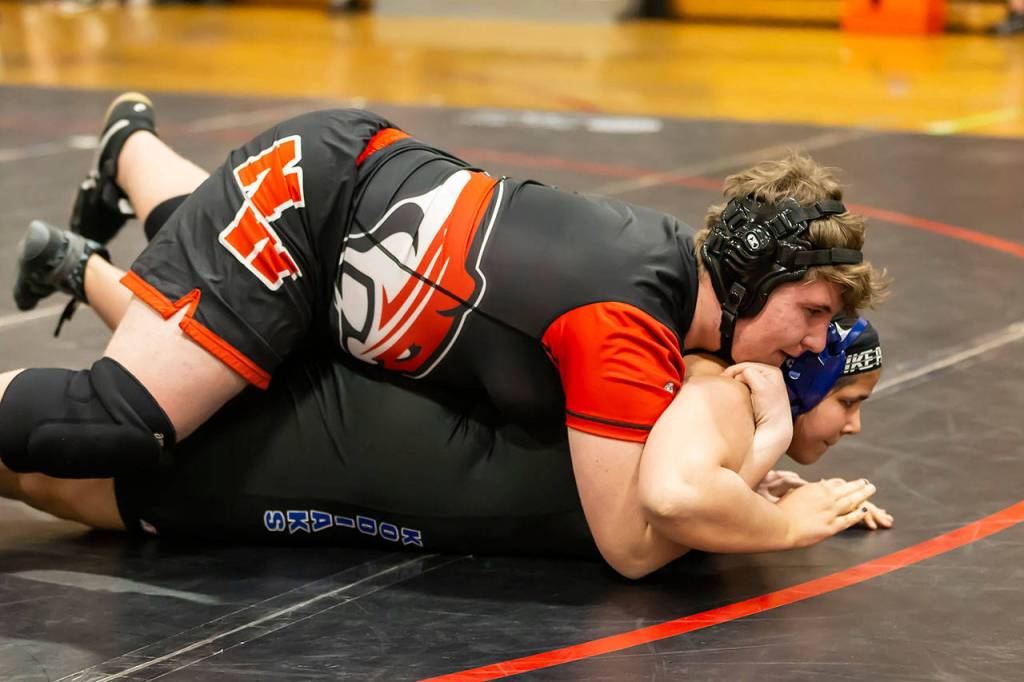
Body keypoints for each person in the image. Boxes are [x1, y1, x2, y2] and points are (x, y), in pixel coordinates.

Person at [2, 93, 886, 575]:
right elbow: (632, 540)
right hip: (315, 218)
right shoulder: (624, 322)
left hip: (344, 210)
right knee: (114, 424)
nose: (815, 345)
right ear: (750, 280)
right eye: (811, 314)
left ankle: (128, 148)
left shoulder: (658, 268)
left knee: (233, 324)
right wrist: (779, 493)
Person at [0, 304, 889, 578]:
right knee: (66, 470)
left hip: (356, 452)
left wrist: (764, 478)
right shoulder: (735, 400)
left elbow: (680, 481)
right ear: (795, 379)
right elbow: (673, 499)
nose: (852, 425)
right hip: (331, 451)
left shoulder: (721, 401)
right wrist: (784, 516)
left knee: (64, 475)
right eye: (845, 398)